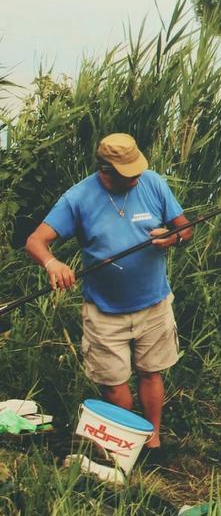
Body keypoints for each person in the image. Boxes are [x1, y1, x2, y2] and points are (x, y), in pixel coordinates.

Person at [25, 132, 192, 455]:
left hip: (154, 303)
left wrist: (174, 238)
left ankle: (153, 440)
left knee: (151, 372)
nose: (136, 178)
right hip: (104, 310)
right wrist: (52, 263)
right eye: (128, 173)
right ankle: (125, 445)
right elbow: (35, 241)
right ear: (106, 170)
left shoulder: (153, 182)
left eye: (137, 169)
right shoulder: (78, 198)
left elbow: (185, 228)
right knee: (114, 384)